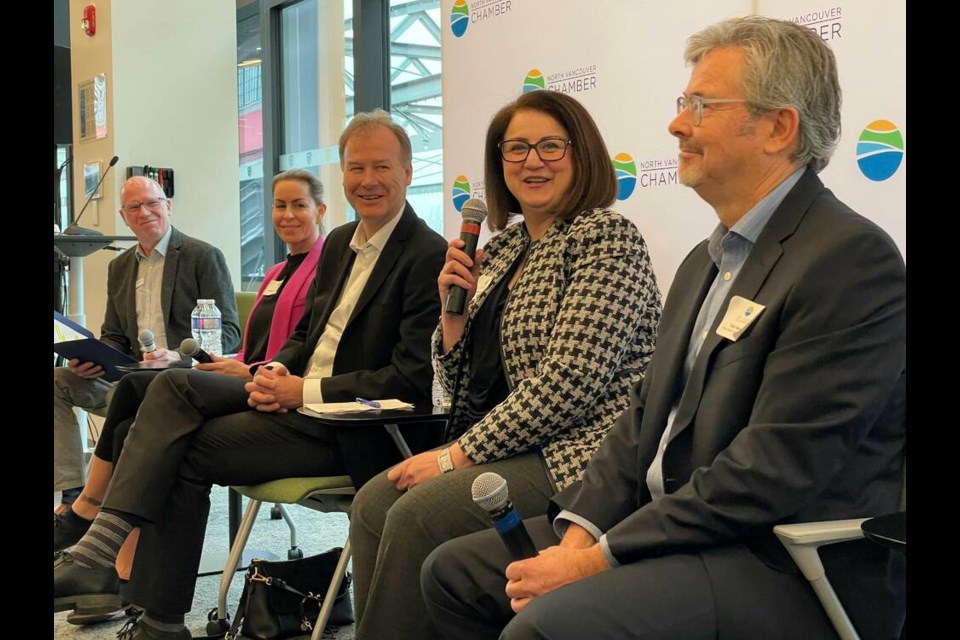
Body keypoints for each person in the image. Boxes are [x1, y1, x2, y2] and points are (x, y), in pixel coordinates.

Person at [420, 16, 907, 640]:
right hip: (665, 527)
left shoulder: (848, 259)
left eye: (701, 106)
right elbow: (639, 422)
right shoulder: (705, 261)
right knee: (453, 572)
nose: (678, 124)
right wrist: (579, 534)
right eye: (683, 104)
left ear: (779, 127)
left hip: (777, 558)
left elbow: (770, 472)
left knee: (544, 626)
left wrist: (597, 560)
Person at [53, 109, 448, 640]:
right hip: (295, 399)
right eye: (356, 167)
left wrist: (298, 388)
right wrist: (279, 367)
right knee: (155, 387)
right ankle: (116, 567)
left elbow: (409, 377)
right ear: (343, 173)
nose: (368, 180)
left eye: (382, 167)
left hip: (353, 426)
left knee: (177, 439)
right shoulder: (339, 244)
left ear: (408, 172)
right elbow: (309, 333)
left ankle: (140, 597)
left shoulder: (429, 255)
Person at [349, 90, 662, 640]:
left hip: (580, 451)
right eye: (515, 149)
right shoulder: (502, 248)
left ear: (581, 153)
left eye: (549, 146)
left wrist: (453, 458)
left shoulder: (606, 238)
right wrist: (452, 322)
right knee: (375, 500)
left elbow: (569, 384)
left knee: (416, 515)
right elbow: (455, 388)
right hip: (506, 444)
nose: (531, 162)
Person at [53, 168, 328, 624]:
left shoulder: (214, 256)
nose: (287, 214)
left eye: (299, 205)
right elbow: (253, 344)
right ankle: (89, 525)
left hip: (242, 380)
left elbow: (252, 339)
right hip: (209, 372)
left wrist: (221, 363)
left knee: (160, 393)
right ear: (123, 215)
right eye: (279, 205)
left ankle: (94, 536)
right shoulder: (278, 272)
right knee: (117, 390)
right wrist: (96, 358)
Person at [54, 176, 240, 509]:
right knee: (58, 381)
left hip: (181, 380)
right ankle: (71, 495)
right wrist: (88, 357)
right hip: (129, 374)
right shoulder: (120, 267)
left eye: (152, 203)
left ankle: (110, 502)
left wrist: (181, 354)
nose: (145, 212)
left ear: (168, 206)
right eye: (134, 207)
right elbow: (113, 333)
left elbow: (228, 331)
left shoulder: (202, 256)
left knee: (136, 400)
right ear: (124, 216)